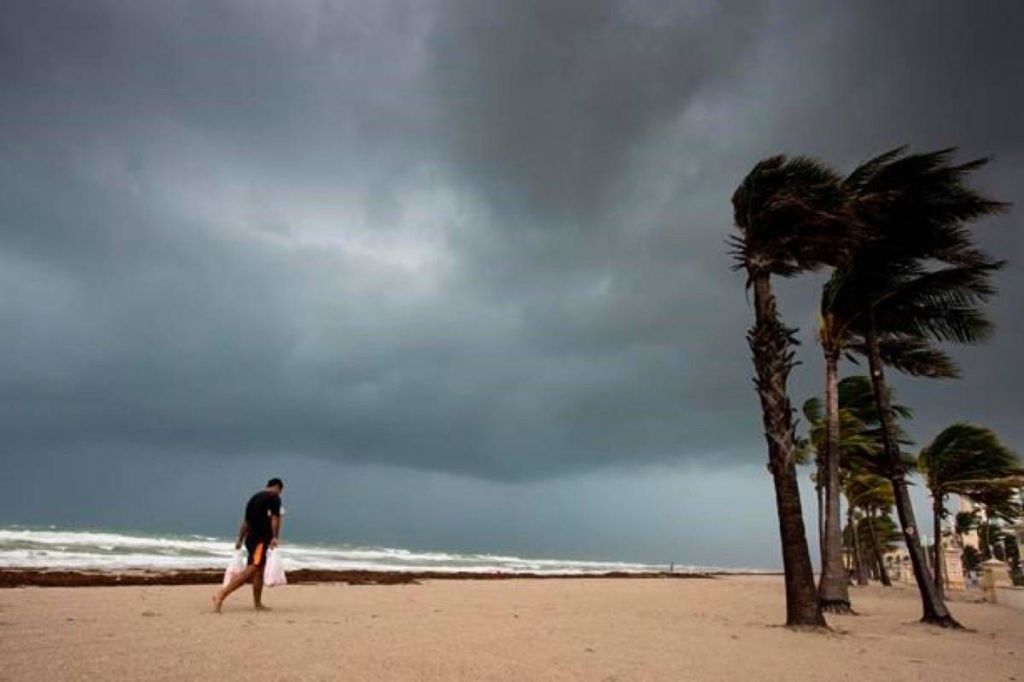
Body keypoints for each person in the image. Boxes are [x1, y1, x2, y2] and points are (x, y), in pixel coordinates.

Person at [212, 478, 284, 613]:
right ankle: (221, 595)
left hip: (251, 539)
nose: (280, 494)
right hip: (260, 540)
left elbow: (246, 522)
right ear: (277, 488)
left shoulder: (253, 498)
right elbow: (275, 518)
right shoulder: (274, 498)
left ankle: (257, 604)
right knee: (252, 570)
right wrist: (275, 537)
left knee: (259, 571)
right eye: (280, 491)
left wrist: (240, 539)